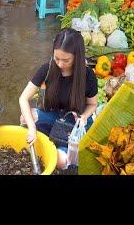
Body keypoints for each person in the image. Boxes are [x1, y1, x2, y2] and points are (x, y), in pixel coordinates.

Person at [18, 28, 98, 170]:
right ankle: (48, 139)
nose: (60, 64)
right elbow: (23, 98)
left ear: (77, 57)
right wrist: (31, 128)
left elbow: (92, 104)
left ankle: (59, 148)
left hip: (75, 124)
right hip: (55, 116)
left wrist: (84, 116)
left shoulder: (87, 75)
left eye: (66, 60)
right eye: (57, 58)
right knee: (25, 118)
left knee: (60, 161)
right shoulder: (48, 69)